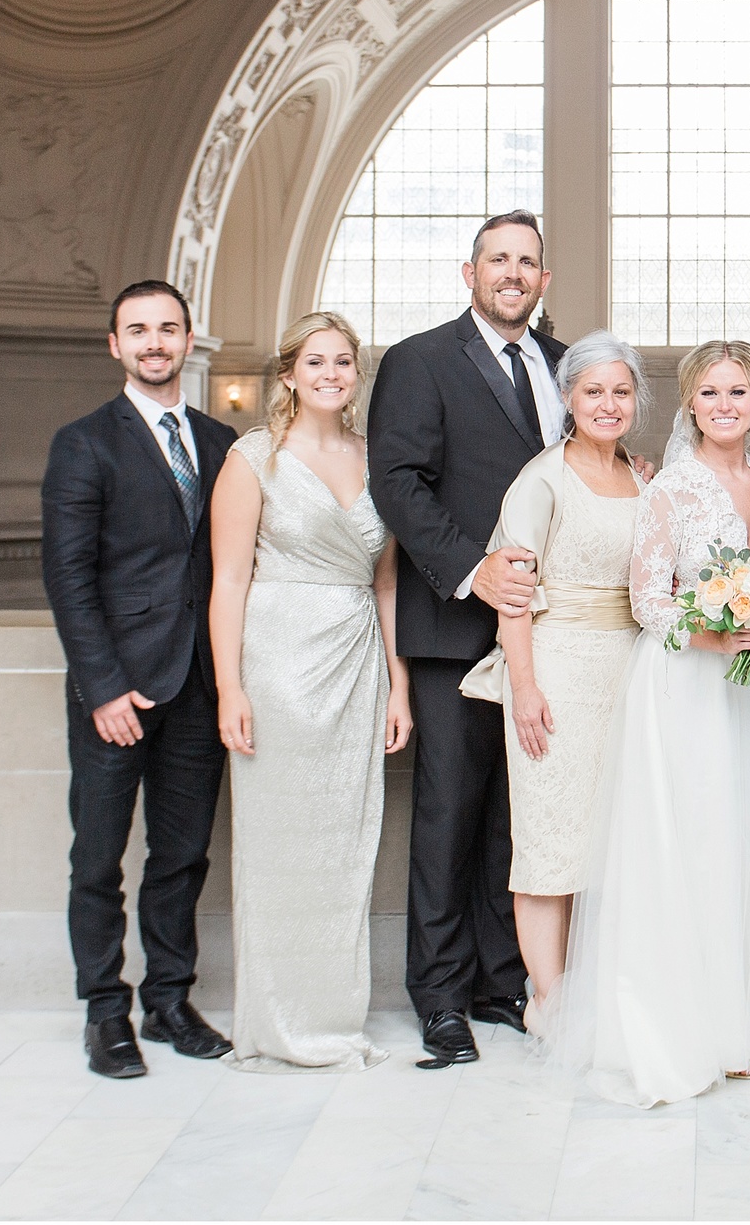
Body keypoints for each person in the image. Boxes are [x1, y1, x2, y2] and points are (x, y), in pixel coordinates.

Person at [553, 341, 750, 1105]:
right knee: (700, 844)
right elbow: (647, 602)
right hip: (686, 687)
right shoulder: (671, 489)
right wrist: (717, 631)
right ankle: (704, 1027)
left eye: (738, 391)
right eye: (709, 392)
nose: (724, 404)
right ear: (689, 404)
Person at [367, 210, 566, 1066]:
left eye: (526, 261)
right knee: (449, 816)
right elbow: (398, 482)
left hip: (545, 634)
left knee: (516, 821)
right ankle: (440, 995)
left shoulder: (564, 368)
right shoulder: (419, 361)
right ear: (469, 271)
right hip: (454, 627)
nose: (512, 273)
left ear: (543, 279)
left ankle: (498, 979)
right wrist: (470, 568)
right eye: (498, 259)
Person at [41, 279, 239, 1080]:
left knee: (183, 853)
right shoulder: (84, 442)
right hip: (116, 690)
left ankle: (167, 999)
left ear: (190, 339)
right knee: (98, 856)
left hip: (199, 685)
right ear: (114, 344)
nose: (155, 341)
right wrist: (103, 687)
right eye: (138, 330)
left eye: (169, 328)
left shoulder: (222, 441)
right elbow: (68, 575)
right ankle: (103, 1009)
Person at [207, 311, 414, 1072]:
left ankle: (333, 1015)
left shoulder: (374, 456)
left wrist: (398, 681)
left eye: (344, 361)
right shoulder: (253, 458)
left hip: (355, 655)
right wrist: (231, 686)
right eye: (316, 361)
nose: (331, 372)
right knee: (277, 845)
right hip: (277, 657)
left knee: (346, 843)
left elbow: (386, 579)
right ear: (288, 372)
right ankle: (277, 1020)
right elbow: (228, 581)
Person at [467, 331, 647, 1030]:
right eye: (593, 391)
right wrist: (525, 685)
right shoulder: (542, 478)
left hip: (628, 670)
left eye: (621, 391)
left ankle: (597, 987)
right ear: (568, 397)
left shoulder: (642, 476)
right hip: (556, 671)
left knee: (604, 838)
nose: (608, 403)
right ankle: (548, 1000)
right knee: (549, 838)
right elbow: (513, 591)